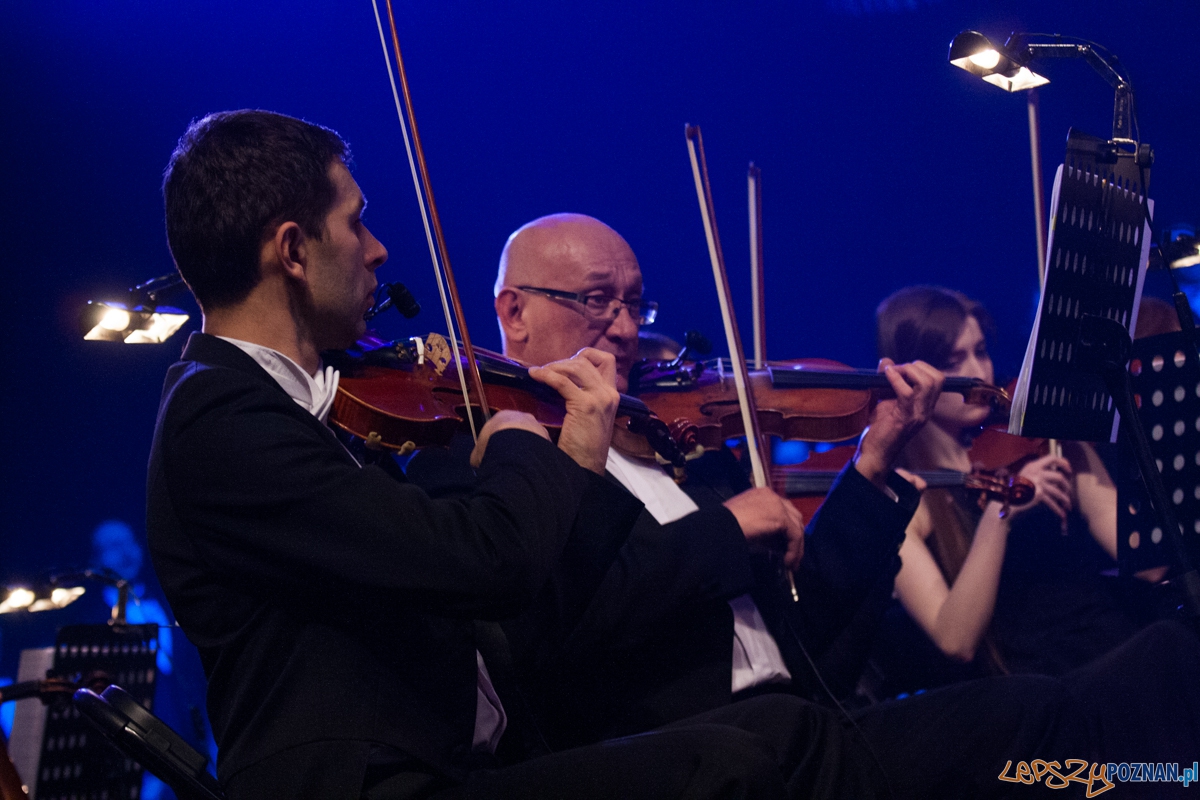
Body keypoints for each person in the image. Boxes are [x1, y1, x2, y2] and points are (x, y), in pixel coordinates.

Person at [148, 110, 848, 800]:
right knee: (723, 766)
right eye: (356, 221)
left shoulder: (312, 407)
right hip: (369, 784)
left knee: (788, 735)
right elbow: (480, 561)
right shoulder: (220, 415)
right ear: (293, 250)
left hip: (455, 765)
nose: (378, 249)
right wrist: (528, 440)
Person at [474, 213, 1093, 798]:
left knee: (1036, 714)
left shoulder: (685, 449)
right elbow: (567, 614)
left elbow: (804, 625)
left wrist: (873, 462)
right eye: (596, 301)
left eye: (634, 304)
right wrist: (726, 527)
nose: (627, 328)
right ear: (515, 311)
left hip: (803, 723)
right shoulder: (502, 458)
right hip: (689, 750)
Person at [872, 285, 1164, 690]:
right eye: (955, 360)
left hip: (1113, 651)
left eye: (981, 351)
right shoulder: (907, 494)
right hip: (1029, 693)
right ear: (912, 375)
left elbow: (1150, 563)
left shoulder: (1039, 444)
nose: (979, 372)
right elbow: (955, 639)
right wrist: (1000, 512)